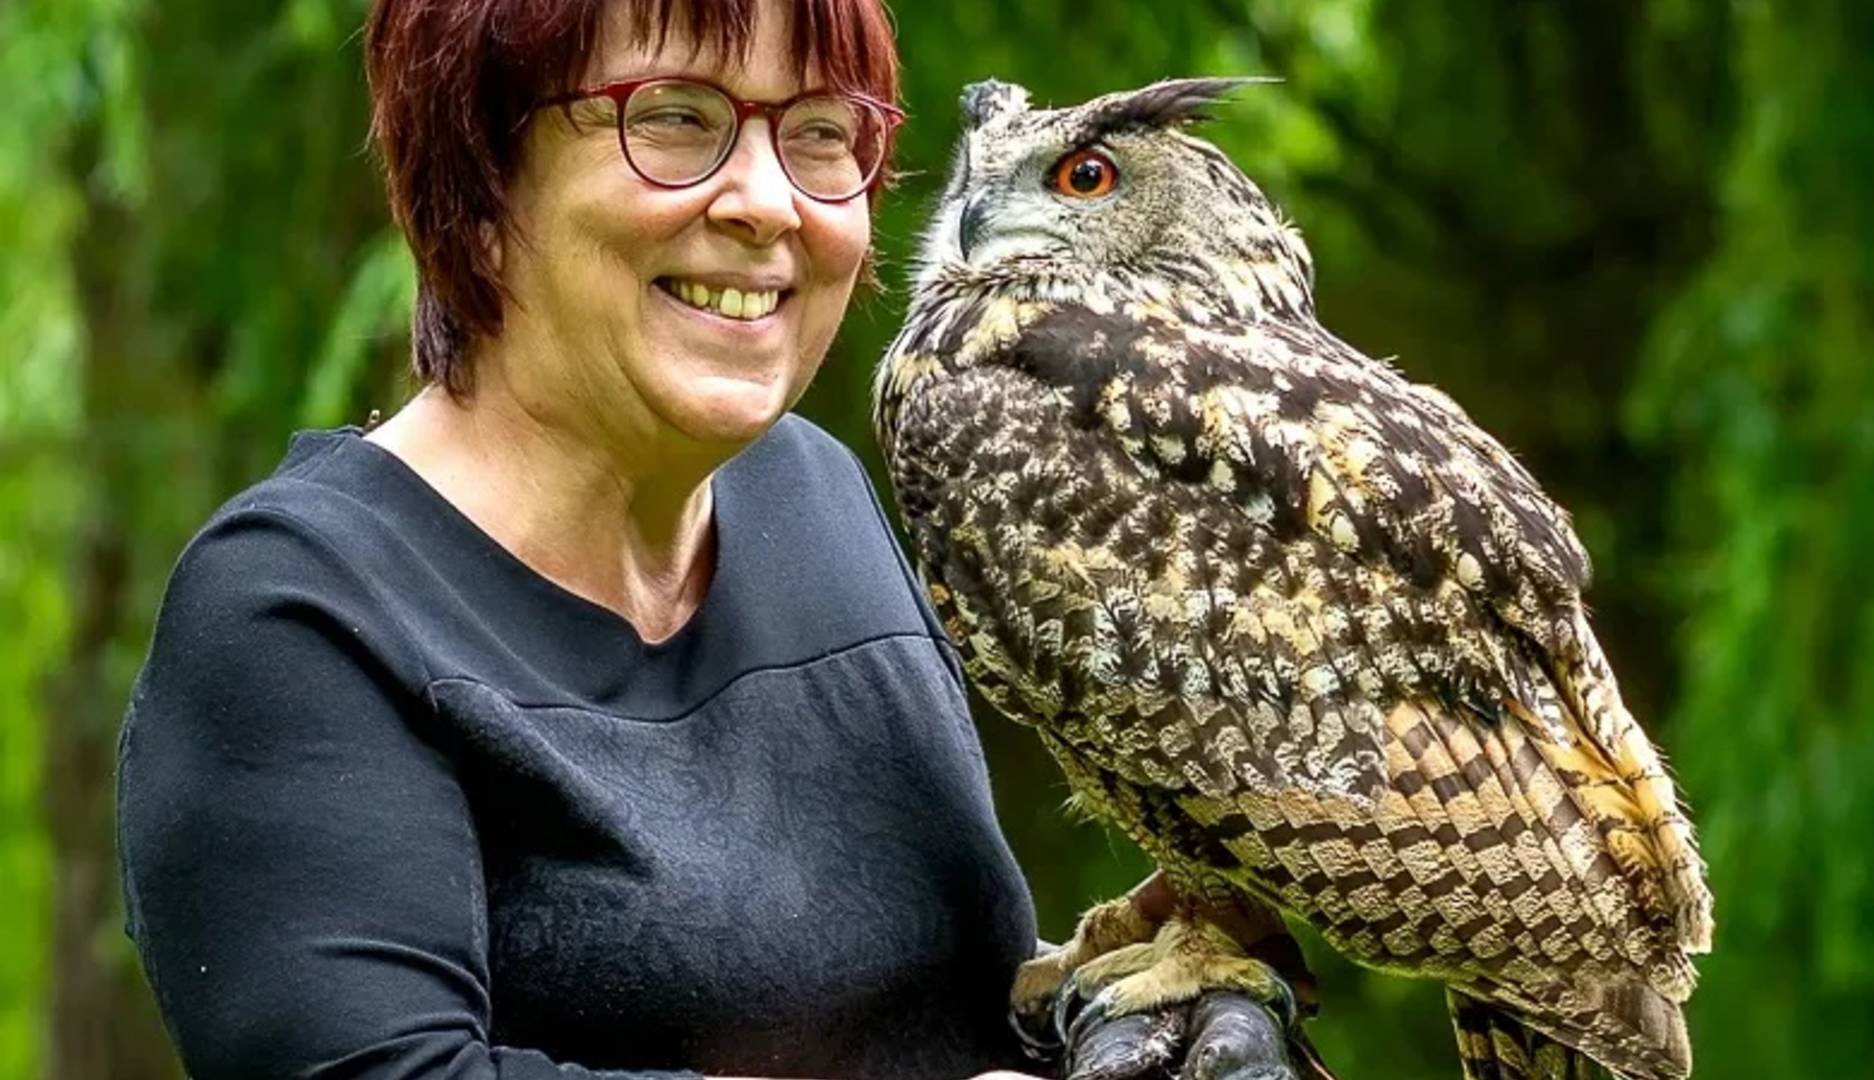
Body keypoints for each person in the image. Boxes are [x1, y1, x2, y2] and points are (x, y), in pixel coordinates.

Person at [115, 1, 1306, 1077]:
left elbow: (906, 1016)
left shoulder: (812, 496)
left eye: (823, 132)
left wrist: (1110, 1017)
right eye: (676, 118)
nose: (767, 200)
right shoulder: (300, 611)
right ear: (479, 186)